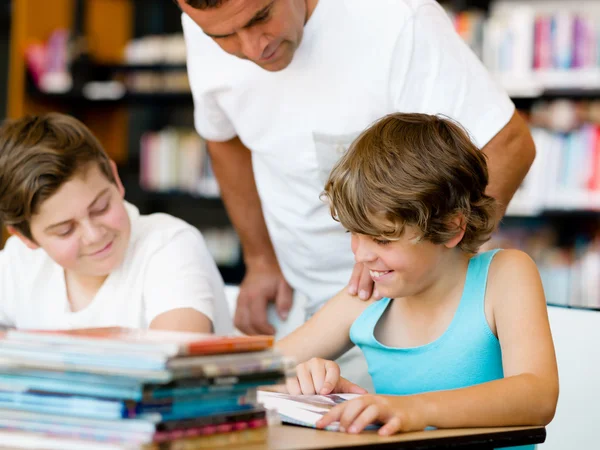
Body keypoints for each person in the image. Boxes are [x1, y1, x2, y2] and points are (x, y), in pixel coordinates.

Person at [177, 0, 536, 387]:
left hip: (416, 301)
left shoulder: (396, 17)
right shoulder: (205, 22)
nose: (251, 48)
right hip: (314, 308)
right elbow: (223, 135)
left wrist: (435, 272)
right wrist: (260, 258)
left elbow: (509, 144)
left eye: (261, 17)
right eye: (223, 37)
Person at [275, 113, 558, 443]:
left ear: (452, 226)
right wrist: (303, 382)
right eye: (354, 233)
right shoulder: (368, 294)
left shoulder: (504, 276)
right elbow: (248, 375)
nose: (361, 255)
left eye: (382, 239)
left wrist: (412, 410)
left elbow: (538, 395)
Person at [0, 113, 232, 334]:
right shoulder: (18, 262)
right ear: (25, 237)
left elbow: (174, 358)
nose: (93, 235)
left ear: (115, 177)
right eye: (65, 230)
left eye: (101, 207)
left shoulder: (168, 246)